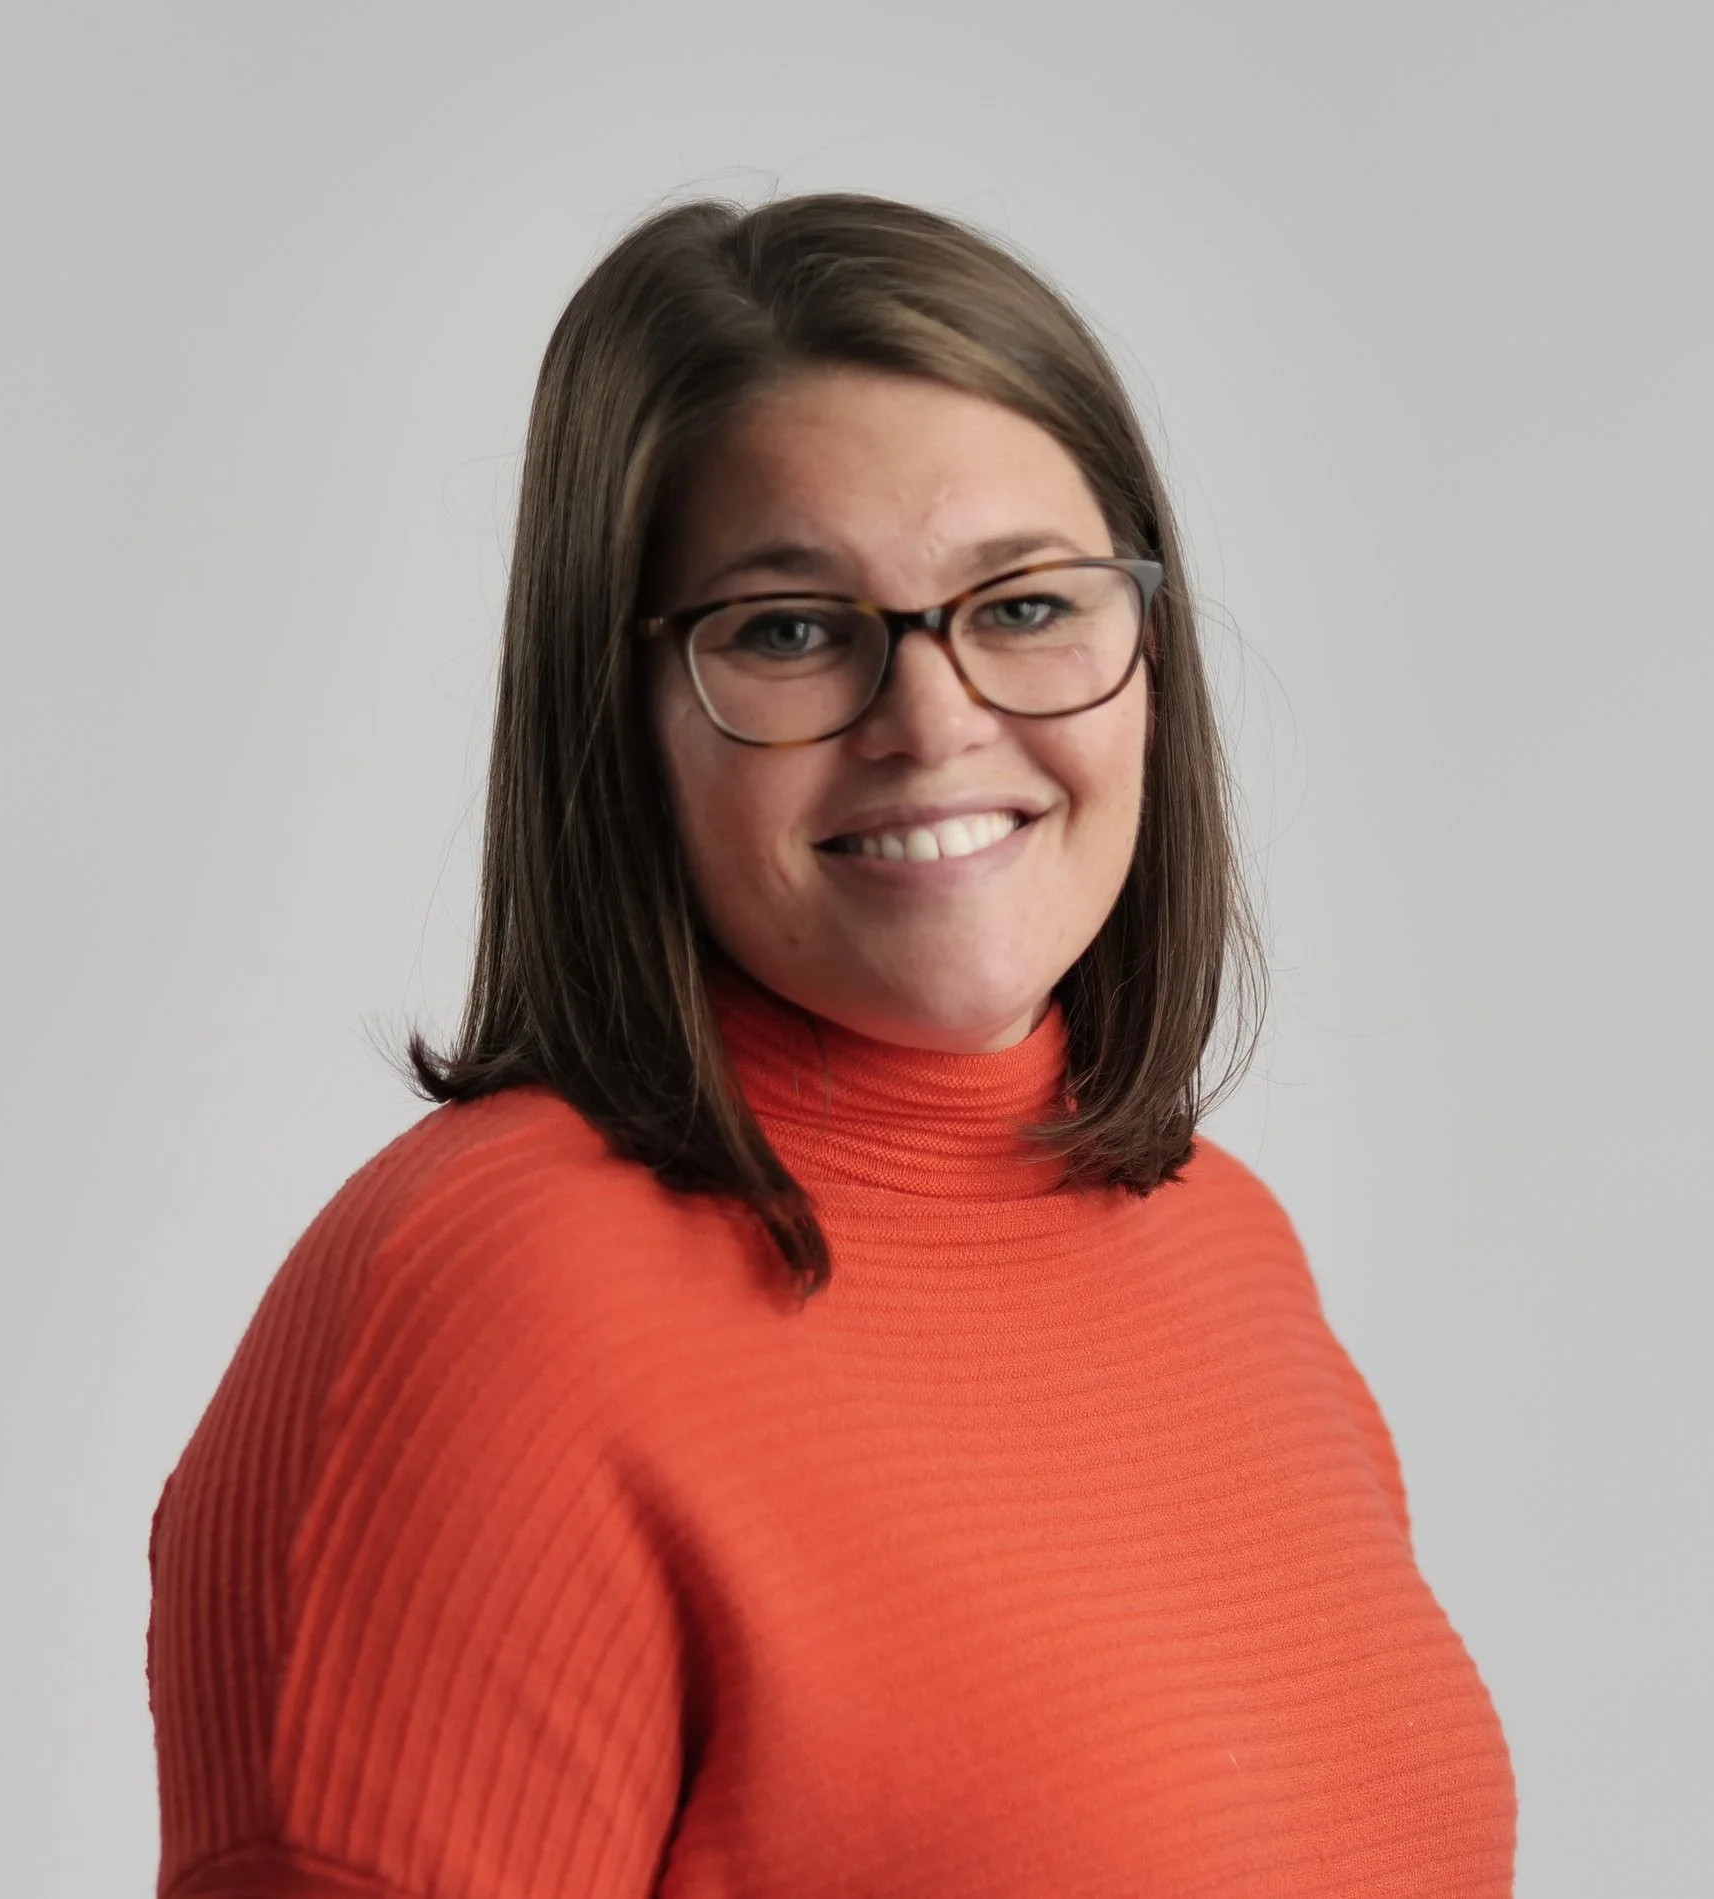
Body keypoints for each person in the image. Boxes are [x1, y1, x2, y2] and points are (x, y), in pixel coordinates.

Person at [146, 193, 1515, 1898]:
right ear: (620, 713)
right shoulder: (494, 1304)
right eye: (790, 630)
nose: (935, 720)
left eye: (1024, 606)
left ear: (1148, 646)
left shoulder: (1224, 1250)